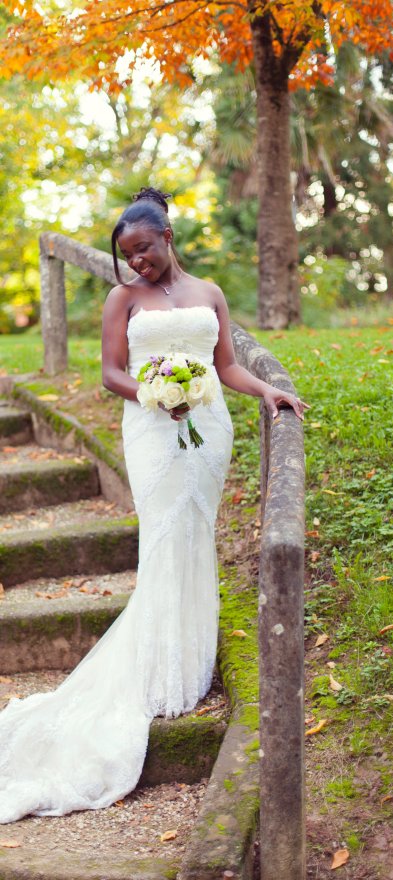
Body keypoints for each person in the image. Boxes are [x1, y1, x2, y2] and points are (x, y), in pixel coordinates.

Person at [0, 187, 308, 823]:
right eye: (126, 257)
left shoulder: (211, 294)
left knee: (197, 531)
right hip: (150, 427)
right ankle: (158, 673)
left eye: (143, 250)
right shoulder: (123, 299)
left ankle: (189, 661)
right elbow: (110, 372)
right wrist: (153, 390)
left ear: (167, 237)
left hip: (208, 427)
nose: (136, 264)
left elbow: (224, 365)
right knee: (164, 535)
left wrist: (271, 392)